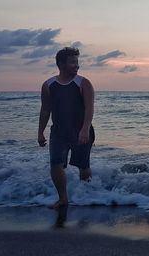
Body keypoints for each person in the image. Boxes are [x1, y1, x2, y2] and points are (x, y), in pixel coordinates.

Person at [38, 47, 95, 209]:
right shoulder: (48, 85)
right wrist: (40, 132)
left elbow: (89, 108)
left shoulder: (83, 83)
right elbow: (45, 110)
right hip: (58, 132)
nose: (77, 66)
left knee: (83, 166)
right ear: (61, 64)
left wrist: (85, 129)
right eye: (73, 63)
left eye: (77, 62)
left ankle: (88, 196)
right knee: (55, 164)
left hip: (81, 131)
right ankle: (63, 198)